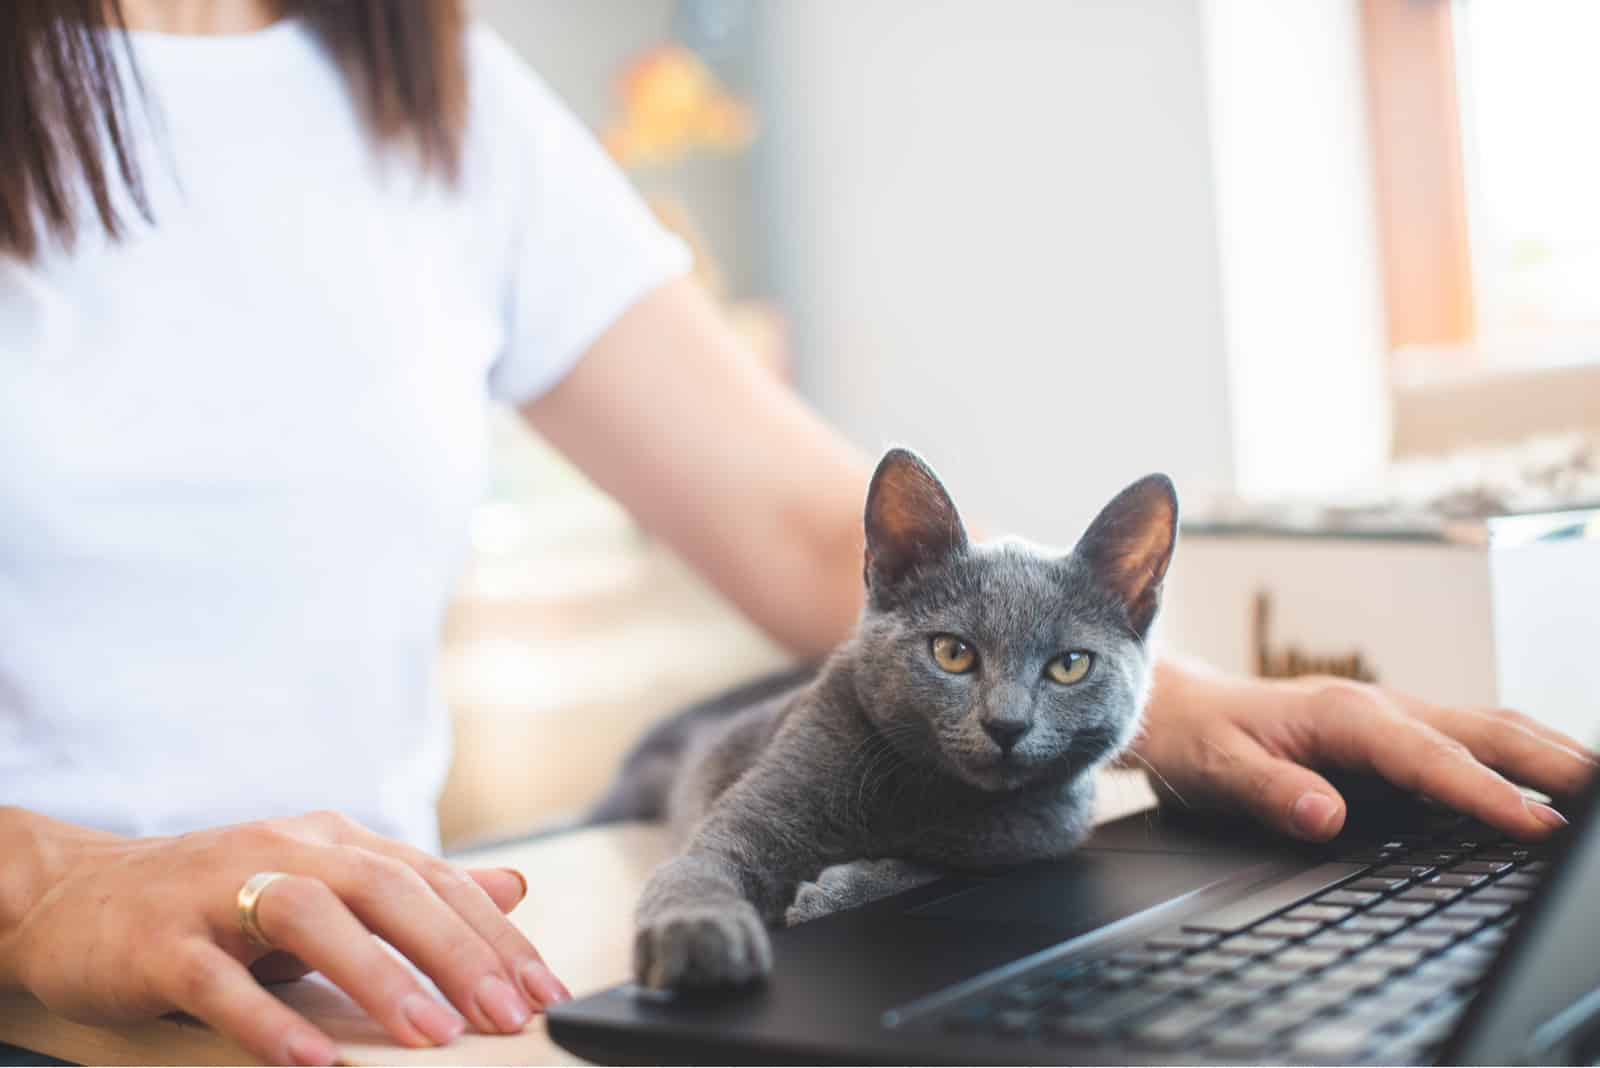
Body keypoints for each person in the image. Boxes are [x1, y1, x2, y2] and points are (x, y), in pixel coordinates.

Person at [0, 2, 1591, 1065]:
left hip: (395, 1006)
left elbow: (794, 518)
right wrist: (41, 879)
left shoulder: (438, 89)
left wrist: (1200, 714)